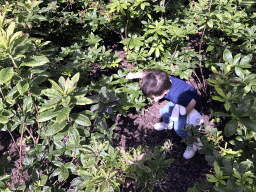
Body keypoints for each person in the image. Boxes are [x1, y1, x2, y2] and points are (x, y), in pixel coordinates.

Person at [126, 69, 202, 159]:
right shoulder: (162, 79)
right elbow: (149, 75)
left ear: (164, 91)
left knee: (179, 129)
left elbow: (192, 102)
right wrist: (134, 75)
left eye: (154, 97)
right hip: (180, 103)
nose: (153, 99)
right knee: (163, 111)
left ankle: (192, 144)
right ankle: (167, 124)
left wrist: (183, 113)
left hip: (189, 107)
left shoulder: (177, 95)